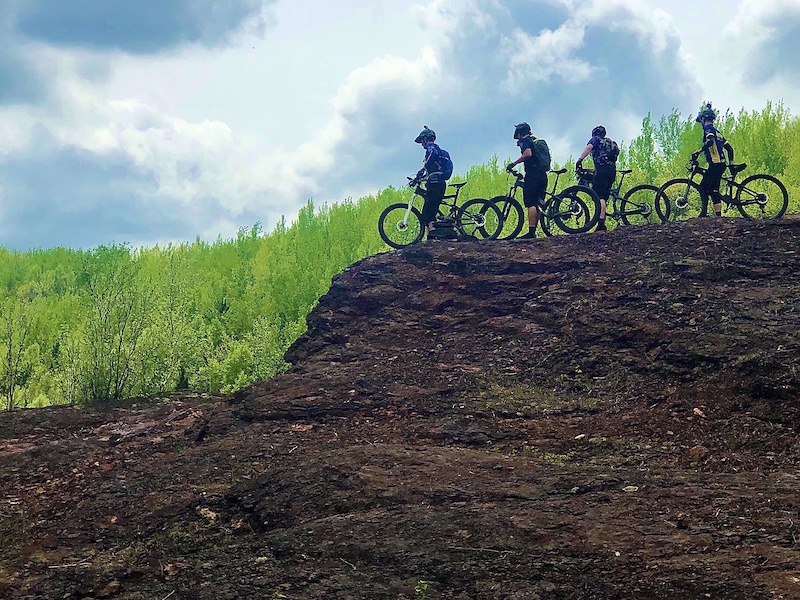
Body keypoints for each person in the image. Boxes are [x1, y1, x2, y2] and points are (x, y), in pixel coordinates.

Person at [506, 122, 549, 239]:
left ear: (519, 133)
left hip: (533, 175)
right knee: (538, 203)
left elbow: (528, 154)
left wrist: (514, 163)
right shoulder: (535, 140)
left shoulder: (525, 141)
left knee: (531, 203)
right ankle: (534, 230)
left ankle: (531, 232)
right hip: (543, 175)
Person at [691, 103, 734, 217]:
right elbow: (730, 149)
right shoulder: (718, 132)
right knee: (705, 187)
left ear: (703, 119)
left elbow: (710, 141)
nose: (700, 123)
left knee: (712, 189)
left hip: (716, 164)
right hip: (720, 164)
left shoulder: (708, 129)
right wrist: (731, 164)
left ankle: (716, 216)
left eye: (700, 121)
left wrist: (698, 152)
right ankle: (708, 214)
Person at [576, 125, 618, 231]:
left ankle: (601, 224)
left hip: (602, 170)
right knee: (604, 196)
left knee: (600, 197)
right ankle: (601, 222)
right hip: (611, 170)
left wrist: (580, 160)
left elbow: (589, 147)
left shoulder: (595, 140)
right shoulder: (608, 143)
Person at [412, 126, 451, 237]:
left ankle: (433, 231)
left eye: (422, 141)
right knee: (431, 207)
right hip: (439, 182)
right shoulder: (442, 152)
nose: (422, 144)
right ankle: (431, 234)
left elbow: (431, 158)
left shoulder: (432, 148)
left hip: (435, 183)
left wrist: (423, 169)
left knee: (429, 209)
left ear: (425, 139)